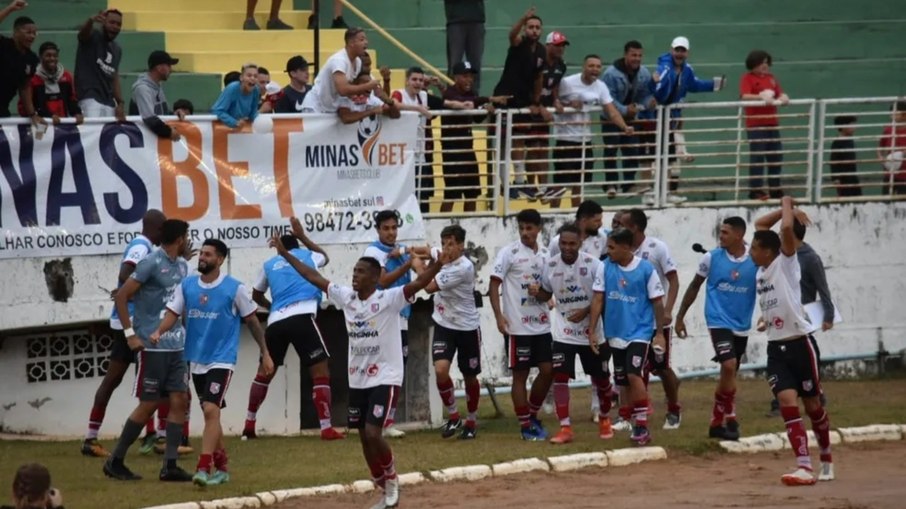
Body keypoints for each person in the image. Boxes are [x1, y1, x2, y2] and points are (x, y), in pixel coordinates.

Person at [269, 229, 454, 509]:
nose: (354, 275)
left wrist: (438, 265)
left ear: (375, 277)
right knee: (362, 437)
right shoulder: (346, 298)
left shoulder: (389, 299)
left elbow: (417, 285)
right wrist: (284, 254)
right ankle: (381, 482)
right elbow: (312, 276)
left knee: (372, 432)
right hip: (358, 380)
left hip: (387, 377)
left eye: (360, 272)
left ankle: (391, 480)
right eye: (354, 271)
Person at [151, 239, 274, 486]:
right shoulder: (186, 286)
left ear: (220, 260)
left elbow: (251, 321)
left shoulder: (234, 288)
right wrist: (158, 332)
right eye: (202, 254)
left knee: (209, 409)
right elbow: (172, 314)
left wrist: (266, 353)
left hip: (222, 359)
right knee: (212, 414)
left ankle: (203, 467)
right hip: (195, 359)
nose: (202, 258)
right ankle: (223, 467)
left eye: (208, 254)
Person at [751, 196, 834, 485]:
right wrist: (767, 317)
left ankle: (825, 454)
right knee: (787, 403)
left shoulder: (787, 262)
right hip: (777, 349)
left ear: (767, 252)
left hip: (801, 346)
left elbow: (785, 230)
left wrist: (787, 204)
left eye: (754, 247)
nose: (750, 250)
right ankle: (803, 466)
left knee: (813, 407)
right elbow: (762, 225)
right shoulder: (762, 271)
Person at [104, 219, 193, 482]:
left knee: (180, 400)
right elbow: (121, 296)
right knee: (150, 403)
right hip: (152, 346)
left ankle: (170, 465)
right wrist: (130, 335)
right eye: (186, 236)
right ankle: (115, 460)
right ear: (179, 238)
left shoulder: (183, 265)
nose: (188, 240)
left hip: (176, 345)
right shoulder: (151, 262)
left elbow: (180, 305)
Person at [243, 218, 345, 441]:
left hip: (277, 320)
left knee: (264, 372)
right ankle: (326, 428)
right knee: (320, 371)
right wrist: (304, 237)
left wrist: (273, 308)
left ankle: (249, 425)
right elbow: (325, 256)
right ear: (297, 246)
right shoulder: (308, 256)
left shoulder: (269, 264)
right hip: (303, 315)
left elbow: (255, 295)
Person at [82, 210, 166, 457]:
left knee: (119, 379)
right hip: (133, 323)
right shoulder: (141, 246)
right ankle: (150, 436)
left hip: (127, 321)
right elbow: (125, 273)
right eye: (163, 230)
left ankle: (91, 437)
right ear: (157, 229)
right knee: (149, 378)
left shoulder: (145, 246)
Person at [674, 216, 757, 441]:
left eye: (725, 233)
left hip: (741, 324)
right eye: (720, 232)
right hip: (717, 320)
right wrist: (679, 317)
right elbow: (694, 286)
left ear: (739, 235)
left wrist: (769, 315)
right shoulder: (711, 258)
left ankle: (715, 422)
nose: (720, 236)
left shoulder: (755, 259)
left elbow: (768, 287)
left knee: (728, 373)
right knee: (729, 365)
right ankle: (731, 417)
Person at [534, 223, 612, 444]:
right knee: (560, 377)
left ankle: (605, 417)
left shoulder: (595, 265)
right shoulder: (549, 266)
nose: (567, 248)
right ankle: (565, 427)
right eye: (563, 243)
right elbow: (546, 293)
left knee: (602, 379)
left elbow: (602, 297)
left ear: (580, 243)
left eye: (572, 243)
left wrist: (586, 312)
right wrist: (536, 292)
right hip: (563, 332)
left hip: (591, 332)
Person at [589, 228, 666, 446]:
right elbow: (597, 300)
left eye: (612, 247)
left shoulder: (646, 269)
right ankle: (629, 417)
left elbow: (657, 302)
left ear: (626, 247)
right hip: (616, 333)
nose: (608, 251)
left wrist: (659, 333)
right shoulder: (605, 268)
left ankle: (641, 425)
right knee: (621, 379)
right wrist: (592, 330)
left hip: (640, 333)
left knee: (634, 374)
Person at [489, 209, 553, 441]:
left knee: (548, 371)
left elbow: (548, 291)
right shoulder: (509, 253)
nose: (525, 233)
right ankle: (525, 426)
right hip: (517, 326)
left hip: (542, 325)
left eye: (529, 228)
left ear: (539, 229)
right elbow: (493, 285)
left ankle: (532, 415)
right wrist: (499, 315)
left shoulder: (546, 255)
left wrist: (545, 294)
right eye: (522, 228)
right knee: (520, 376)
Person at [362, 210, 425, 438]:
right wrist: (409, 264)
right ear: (378, 230)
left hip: (401, 317)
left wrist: (425, 267)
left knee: (397, 370)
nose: (390, 232)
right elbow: (383, 280)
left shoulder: (401, 250)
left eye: (394, 228)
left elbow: (420, 273)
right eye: (386, 228)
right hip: (382, 317)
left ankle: (387, 420)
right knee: (381, 369)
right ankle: (375, 419)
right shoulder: (373, 251)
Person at [618, 209, 682, 430]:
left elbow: (673, 280)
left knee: (662, 368)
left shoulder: (657, 248)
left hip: (655, 321)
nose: (617, 227)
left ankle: (674, 409)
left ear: (634, 227)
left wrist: (668, 310)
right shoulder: (620, 249)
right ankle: (628, 415)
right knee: (631, 370)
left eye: (622, 224)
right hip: (632, 322)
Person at [766, 214, 835, 416]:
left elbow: (823, 288)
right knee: (780, 354)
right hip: (782, 314)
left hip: (801, 315)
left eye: (783, 232)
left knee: (803, 353)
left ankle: (813, 392)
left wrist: (828, 315)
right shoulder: (780, 256)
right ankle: (783, 399)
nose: (779, 235)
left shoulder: (811, 258)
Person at [652, 36, 726, 204]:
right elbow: (657, 88)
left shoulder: (687, 70)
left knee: (671, 158)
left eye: (682, 50)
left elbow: (694, 85)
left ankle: (669, 193)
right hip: (657, 119)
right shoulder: (664, 67)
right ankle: (654, 193)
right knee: (657, 157)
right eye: (677, 50)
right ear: (671, 50)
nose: (679, 53)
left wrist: (715, 85)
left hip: (673, 119)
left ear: (687, 52)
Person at [553, 54, 633, 208]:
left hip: (585, 141)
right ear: (584, 67)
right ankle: (552, 216)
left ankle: (575, 218)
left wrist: (624, 127)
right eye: (591, 66)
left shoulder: (600, 86)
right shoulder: (567, 83)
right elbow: (553, 97)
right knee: (560, 186)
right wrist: (567, 103)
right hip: (566, 140)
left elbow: (611, 111)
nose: (595, 69)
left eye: (598, 66)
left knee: (578, 185)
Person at [425, 225, 482, 440]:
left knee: (470, 377)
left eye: (451, 244)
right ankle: (454, 416)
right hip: (444, 324)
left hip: (467, 327)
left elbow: (428, 286)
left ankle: (472, 420)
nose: (446, 249)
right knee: (440, 370)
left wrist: (417, 265)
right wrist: (404, 252)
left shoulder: (463, 268)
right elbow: (427, 250)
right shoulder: (443, 259)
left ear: (460, 245)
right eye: (443, 244)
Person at [493, 7, 545, 199]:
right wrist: (523, 18)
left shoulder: (541, 51)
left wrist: (536, 101)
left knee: (519, 141)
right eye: (531, 27)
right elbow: (512, 34)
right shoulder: (519, 42)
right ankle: (504, 184)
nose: (534, 30)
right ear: (525, 29)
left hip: (523, 101)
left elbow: (539, 77)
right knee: (502, 142)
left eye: (537, 27)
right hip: (504, 98)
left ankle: (520, 181)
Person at [440, 61, 503, 213]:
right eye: (465, 76)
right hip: (452, 151)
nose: (469, 80)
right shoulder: (449, 93)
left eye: (471, 77)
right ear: (455, 77)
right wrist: (487, 99)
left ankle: (469, 227)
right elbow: (465, 104)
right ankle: (441, 225)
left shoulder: (472, 94)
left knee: (472, 193)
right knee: (451, 194)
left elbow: (476, 119)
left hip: (468, 148)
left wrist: (486, 109)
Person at [602, 40, 656, 197]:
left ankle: (628, 184)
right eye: (633, 55)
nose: (637, 58)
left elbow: (645, 95)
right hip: (610, 118)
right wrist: (626, 110)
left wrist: (648, 103)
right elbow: (608, 99)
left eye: (639, 55)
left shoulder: (644, 73)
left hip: (632, 117)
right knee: (611, 150)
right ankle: (611, 184)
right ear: (625, 54)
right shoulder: (610, 74)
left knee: (632, 151)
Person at [740, 49, 790, 200]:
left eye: (766, 63)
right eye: (762, 63)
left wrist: (783, 97)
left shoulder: (771, 78)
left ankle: (775, 188)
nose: (765, 66)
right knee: (758, 157)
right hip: (756, 124)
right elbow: (744, 96)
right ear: (754, 64)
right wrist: (759, 97)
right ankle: (756, 190)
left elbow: (779, 92)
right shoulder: (747, 78)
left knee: (775, 156)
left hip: (772, 123)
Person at [301, 28, 380, 113]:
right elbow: (343, 90)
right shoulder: (339, 60)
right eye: (362, 39)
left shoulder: (358, 62)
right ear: (351, 43)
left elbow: (349, 87)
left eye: (366, 39)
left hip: (330, 107)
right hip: (315, 106)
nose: (366, 42)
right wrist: (367, 86)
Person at [533, 31, 569, 203]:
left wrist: (555, 100)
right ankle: (532, 187)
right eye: (557, 45)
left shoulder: (561, 65)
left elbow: (554, 85)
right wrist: (538, 105)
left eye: (562, 45)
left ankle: (544, 188)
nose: (561, 48)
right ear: (548, 45)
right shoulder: (536, 62)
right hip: (531, 108)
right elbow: (528, 85)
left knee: (544, 149)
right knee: (533, 149)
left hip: (545, 109)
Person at [75, 9, 125, 121]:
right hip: (90, 98)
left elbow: (114, 76)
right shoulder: (92, 36)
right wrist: (91, 20)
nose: (115, 27)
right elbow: (82, 35)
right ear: (103, 22)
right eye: (112, 22)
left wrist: (120, 103)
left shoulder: (117, 49)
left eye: (118, 24)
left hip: (109, 102)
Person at [129, 50, 180, 140]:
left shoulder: (157, 86)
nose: (171, 70)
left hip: (154, 142)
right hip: (143, 142)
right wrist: (169, 132)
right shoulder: (142, 89)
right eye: (168, 65)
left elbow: (161, 112)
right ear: (159, 68)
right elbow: (149, 118)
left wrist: (174, 114)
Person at [0, 2, 39, 120]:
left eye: (34, 33)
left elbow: (25, 87)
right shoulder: (3, 45)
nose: (32, 36)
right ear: (16, 32)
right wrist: (10, 8)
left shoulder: (32, 58)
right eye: (28, 32)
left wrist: (32, 114)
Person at [444, 0, 485, 93]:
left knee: (475, 63)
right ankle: (452, 94)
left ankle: (474, 96)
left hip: (476, 19)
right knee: (454, 64)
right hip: (455, 20)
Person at [211, 63, 260, 129]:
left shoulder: (256, 90)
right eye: (249, 75)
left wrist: (259, 119)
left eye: (255, 76)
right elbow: (217, 110)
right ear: (241, 78)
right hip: (223, 127)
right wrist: (234, 122)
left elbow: (253, 113)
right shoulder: (232, 88)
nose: (253, 78)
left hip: (242, 129)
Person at [828, 115, 861, 197]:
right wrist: (836, 179)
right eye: (851, 125)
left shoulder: (850, 141)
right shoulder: (837, 142)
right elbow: (834, 161)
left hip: (853, 177)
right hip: (843, 179)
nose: (854, 127)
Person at [878, 100, 906, 195]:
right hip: (890, 174)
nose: (892, 114)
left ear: (904, 114)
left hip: (904, 176)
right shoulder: (888, 129)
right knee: (886, 201)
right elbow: (880, 147)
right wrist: (881, 158)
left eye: (895, 112)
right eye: (891, 112)